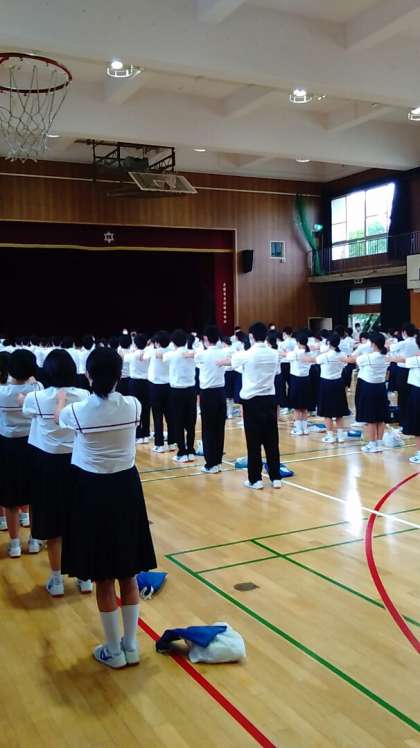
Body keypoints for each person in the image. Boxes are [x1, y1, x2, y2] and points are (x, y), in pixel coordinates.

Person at [58, 347, 156, 669]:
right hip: (126, 489)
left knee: (103, 576)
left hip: (93, 490)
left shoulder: (76, 411)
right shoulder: (133, 405)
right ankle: (131, 646)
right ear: (119, 375)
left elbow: (60, 420)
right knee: (128, 571)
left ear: (87, 375)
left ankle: (113, 650)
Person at [22, 349, 92, 596]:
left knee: (53, 524)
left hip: (47, 465)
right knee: (78, 520)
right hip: (77, 463)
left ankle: (57, 580)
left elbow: (26, 410)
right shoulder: (83, 394)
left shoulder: (36, 397)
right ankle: (85, 578)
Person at [227, 322, 282, 490]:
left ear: (251, 336)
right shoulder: (275, 353)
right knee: (272, 441)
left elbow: (232, 364)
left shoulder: (246, 354)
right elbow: (277, 372)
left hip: (251, 402)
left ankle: (255, 479)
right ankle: (276, 478)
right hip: (269, 400)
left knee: (254, 442)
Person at [0, 349, 44, 557]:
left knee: (10, 498)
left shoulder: (2, 392)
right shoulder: (38, 389)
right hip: (33, 445)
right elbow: (35, 383)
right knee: (34, 495)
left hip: (8, 446)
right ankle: (34, 540)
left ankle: (15, 544)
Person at [347, 333, 390, 453]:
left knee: (369, 418)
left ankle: (372, 444)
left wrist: (360, 349)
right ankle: (379, 443)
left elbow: (353, 359)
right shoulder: (386, 356)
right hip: (381, 387)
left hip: (368, 388)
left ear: (374, 344)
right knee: (380, 417)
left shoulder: (367, 357)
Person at [195, 325, 228, 474]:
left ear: (206, 339)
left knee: (208, 428)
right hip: (221, 392)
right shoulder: (223, 352)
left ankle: (211, 463)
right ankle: (217, 461)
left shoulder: (202, 354)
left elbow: (195, 358)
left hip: (208, 393)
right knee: (219, 427)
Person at [162, 329, 197, 463]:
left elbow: (163, 357)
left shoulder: (172, 354)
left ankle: (182, 452)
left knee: (178, 421)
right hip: (191, 390)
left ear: (173, 342)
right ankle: (191, 451)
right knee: (191, 422)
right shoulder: (192, 353)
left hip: (177, 391)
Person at [144, 331, 176, 453]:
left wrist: (149, 345)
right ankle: (172, 443)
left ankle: (159, 444)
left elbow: (143, 357)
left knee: (157, 416)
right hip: (169, 386)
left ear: (157, 342)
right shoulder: (171, 351)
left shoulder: (152, 351)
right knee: (170, 416)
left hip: (156, 387)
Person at [316, 332, 349, 444]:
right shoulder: (342, 354)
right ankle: (340, 436)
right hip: (338, 383)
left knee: (327, 412)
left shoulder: (325, 356)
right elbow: (345, 364)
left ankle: (330, 436)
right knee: (339, 411)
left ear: (329, 343)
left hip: (326, 383)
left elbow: (316, 360)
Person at [282, 332, 314, 436]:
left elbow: (285, 356)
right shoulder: (309, 352)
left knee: (296, 407)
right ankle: (305, 429)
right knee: (304, 407)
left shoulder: (296, 353)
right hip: (306, 380)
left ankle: (298, 429)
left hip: (296, 380)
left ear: (298, 342)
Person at [390, 322, 419, 430]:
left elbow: (390, 348)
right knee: (411, 396)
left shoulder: (403, 343)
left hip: (402, 371)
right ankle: (411, 419)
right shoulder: (417, 342)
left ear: (404, 332)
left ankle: (403, 421)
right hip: (413, 370)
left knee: (402, 396)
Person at [128, 334, 151, 444]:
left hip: (135, 383)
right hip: (147, 383)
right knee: (146, 408)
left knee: (136, 408)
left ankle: (138, 435)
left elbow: (122, 356)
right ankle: (146, 434)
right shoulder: (148, 354)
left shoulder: (131, 355)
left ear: (135, 344)